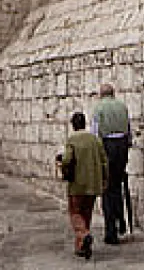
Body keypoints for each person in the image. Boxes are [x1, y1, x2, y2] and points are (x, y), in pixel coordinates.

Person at [58, 110, 108, 259]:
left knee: (75, 212)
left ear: (73, 125)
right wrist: (105, 179)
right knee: (86, 213)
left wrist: (61, 161)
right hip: (93, 183)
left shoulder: (72, 140)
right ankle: (81, 246)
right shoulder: (95, 140)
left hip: (78, 184)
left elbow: (67, 159)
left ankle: (84, 234)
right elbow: (104, 161)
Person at [92, 83, 133, 243]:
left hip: (107, 146)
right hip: (122, 147)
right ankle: (121, 222)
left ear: (101, 95)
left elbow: (95, 133)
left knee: (107, 189)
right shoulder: (122, 107)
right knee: (118, 185)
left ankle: (111, 231)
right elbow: (129, 130)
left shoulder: (99, 108)